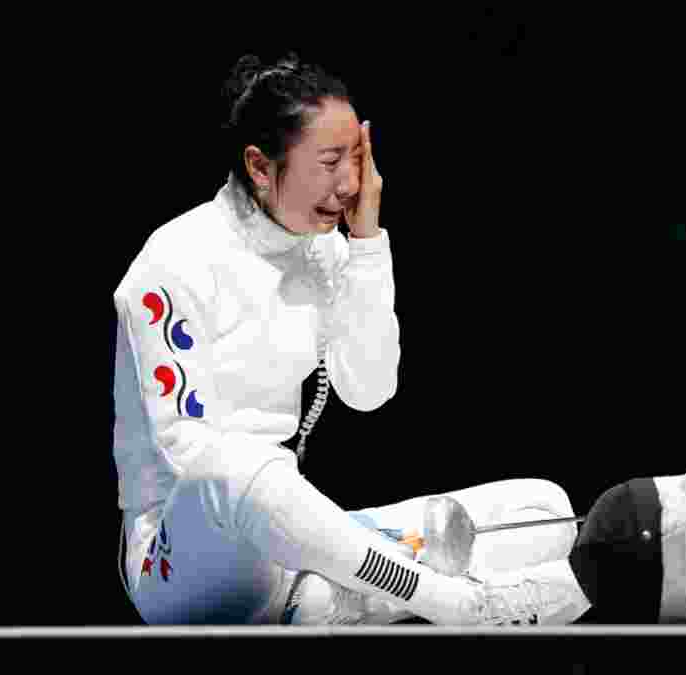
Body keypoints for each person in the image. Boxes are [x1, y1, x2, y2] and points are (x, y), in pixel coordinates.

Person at [111, 51, 592, 626]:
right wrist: (327, 541)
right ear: (262, 167)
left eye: (357, 161)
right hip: (181, 561)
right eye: (331, 161)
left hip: (294, 546)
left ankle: (324, 602)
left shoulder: (326, 253)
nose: (349, 184)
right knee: (232, 463)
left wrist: (365, 245)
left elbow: (368, 389)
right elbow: (192, 455)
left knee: (545, 513)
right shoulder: (173, 262)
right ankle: (457, 605)